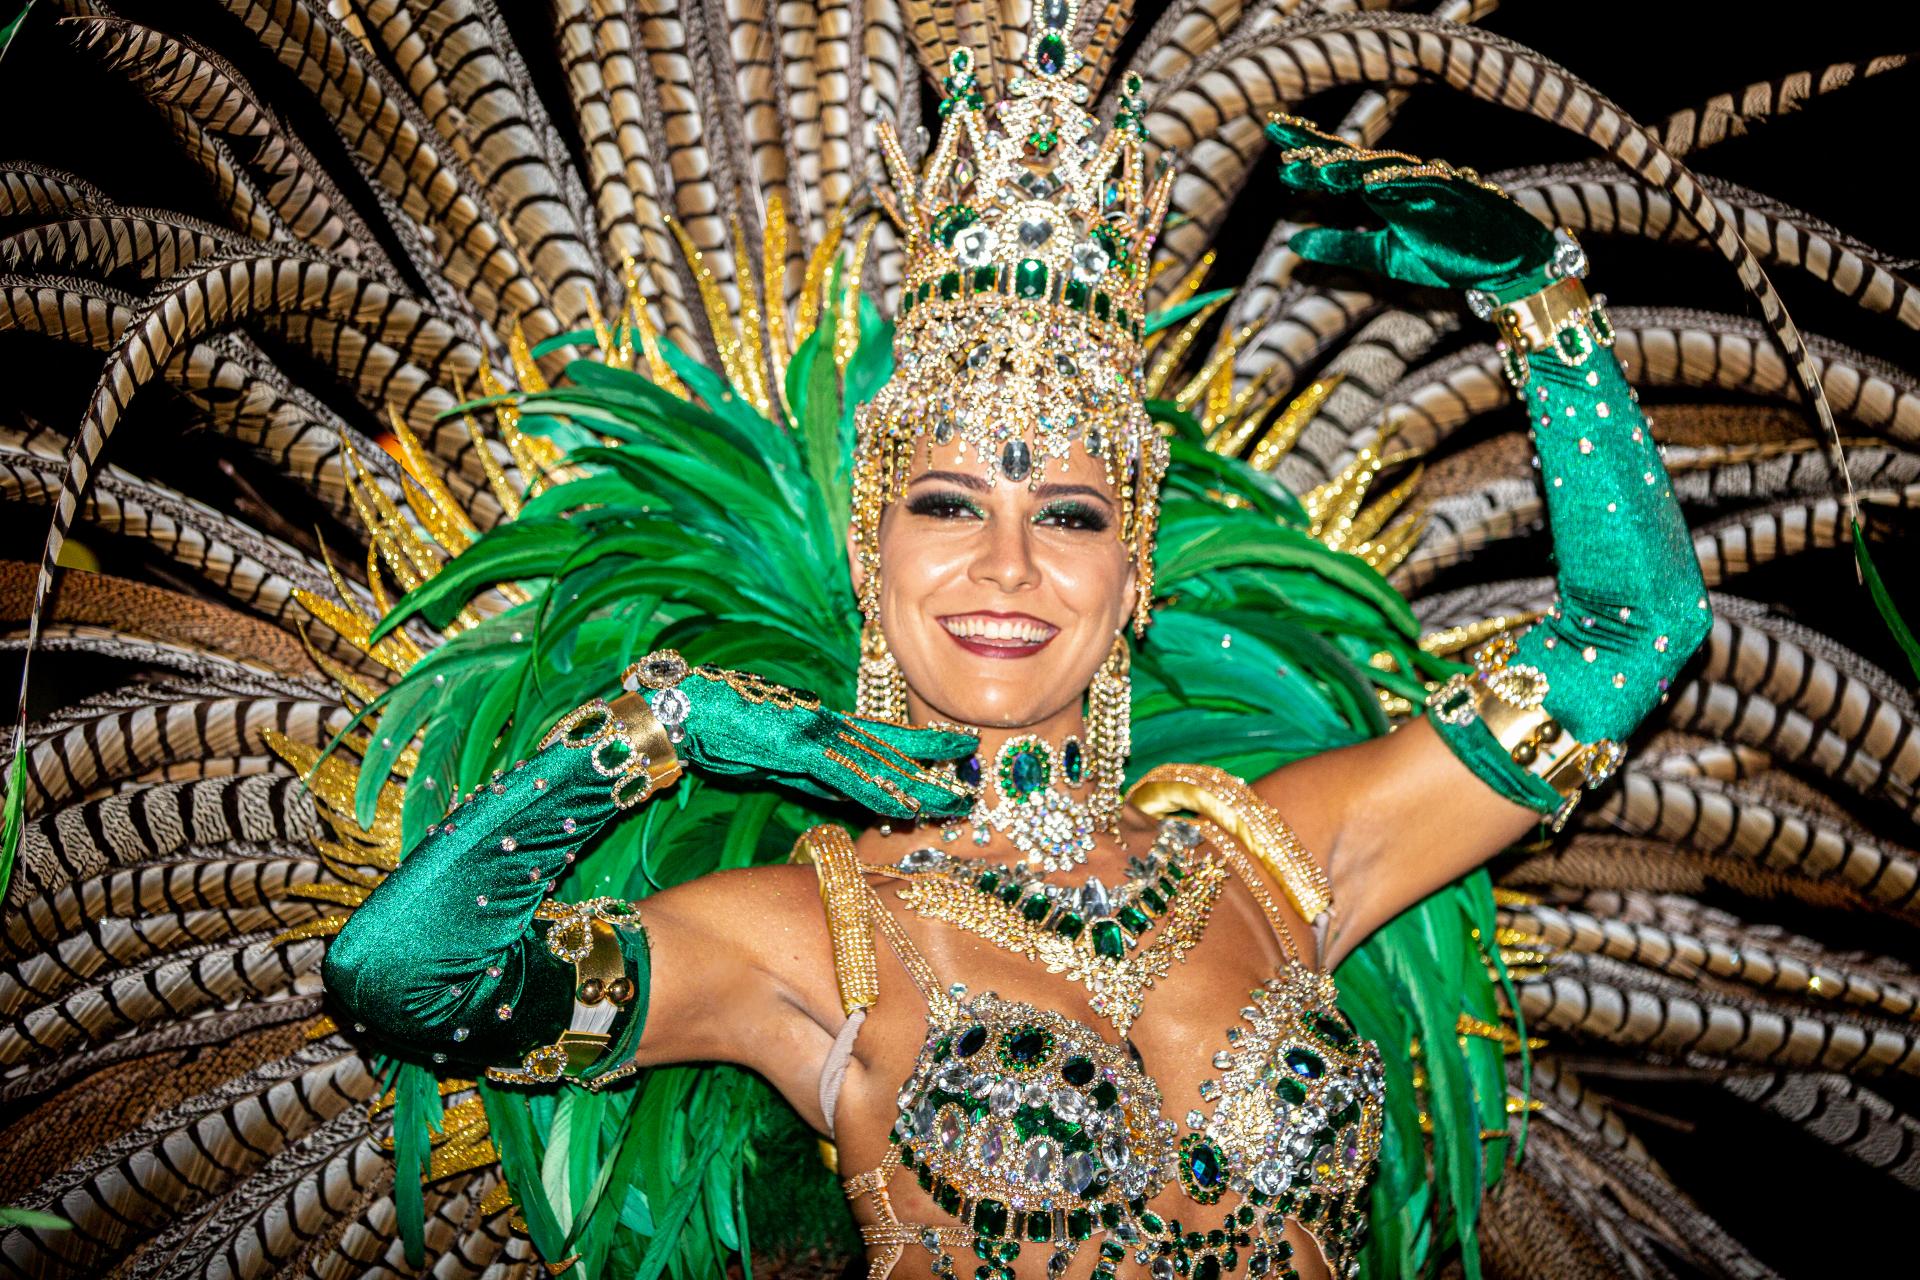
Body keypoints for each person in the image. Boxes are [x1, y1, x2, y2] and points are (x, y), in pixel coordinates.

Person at [322, 16, 1708, 1280]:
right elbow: (405, 981)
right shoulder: (814, 934)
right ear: (873, 559)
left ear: (1132, 570)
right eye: (947, 506)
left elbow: (1633, 638)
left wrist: (1547, 310)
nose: (1006, 565)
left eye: (1069, 513)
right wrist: (658, 728)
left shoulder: (1269, 862)